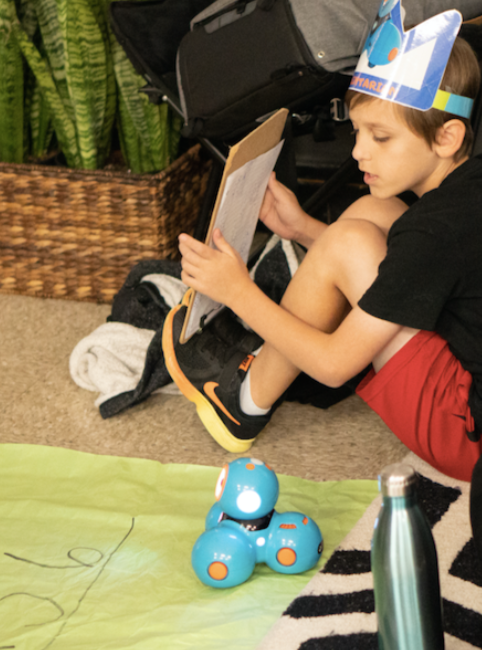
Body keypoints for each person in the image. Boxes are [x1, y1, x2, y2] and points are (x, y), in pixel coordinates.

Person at [162, 18, 482, 484]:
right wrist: (303, 228)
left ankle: (243, 402)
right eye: (357, 132)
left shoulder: (433, 233)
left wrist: (238, 291)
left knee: (350, 241)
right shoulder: (464, 194)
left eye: (380, 136)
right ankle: (272, 352)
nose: (358, 153)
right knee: (374, 212)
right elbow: (418, 270)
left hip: (466, 434)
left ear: (447, 137)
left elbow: (335, 366)